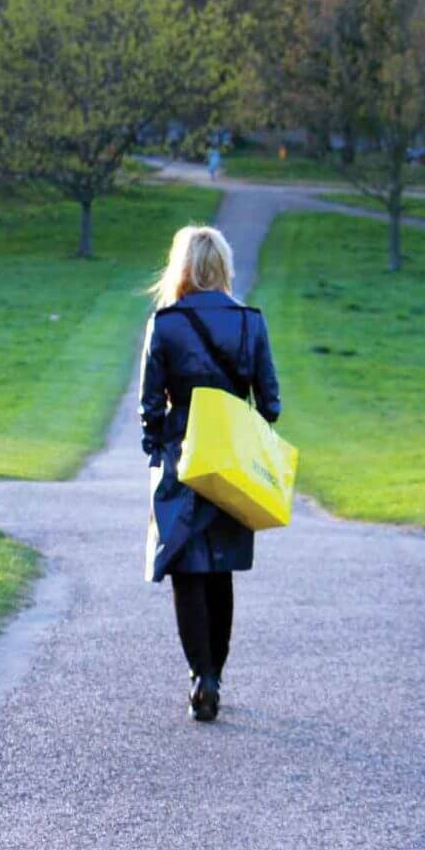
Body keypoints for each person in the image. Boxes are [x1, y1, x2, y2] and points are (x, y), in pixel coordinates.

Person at [139, 225, 281, 722]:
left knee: (185, 567)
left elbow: (149, 407)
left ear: (181, 267)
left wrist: (158, 450)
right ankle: (215, 674)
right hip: (232, 458)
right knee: (220, 568)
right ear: (222, 266)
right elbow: (272, 403)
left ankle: (201, 674)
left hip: (183, 456)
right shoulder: (250, 322)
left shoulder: (166, 323)